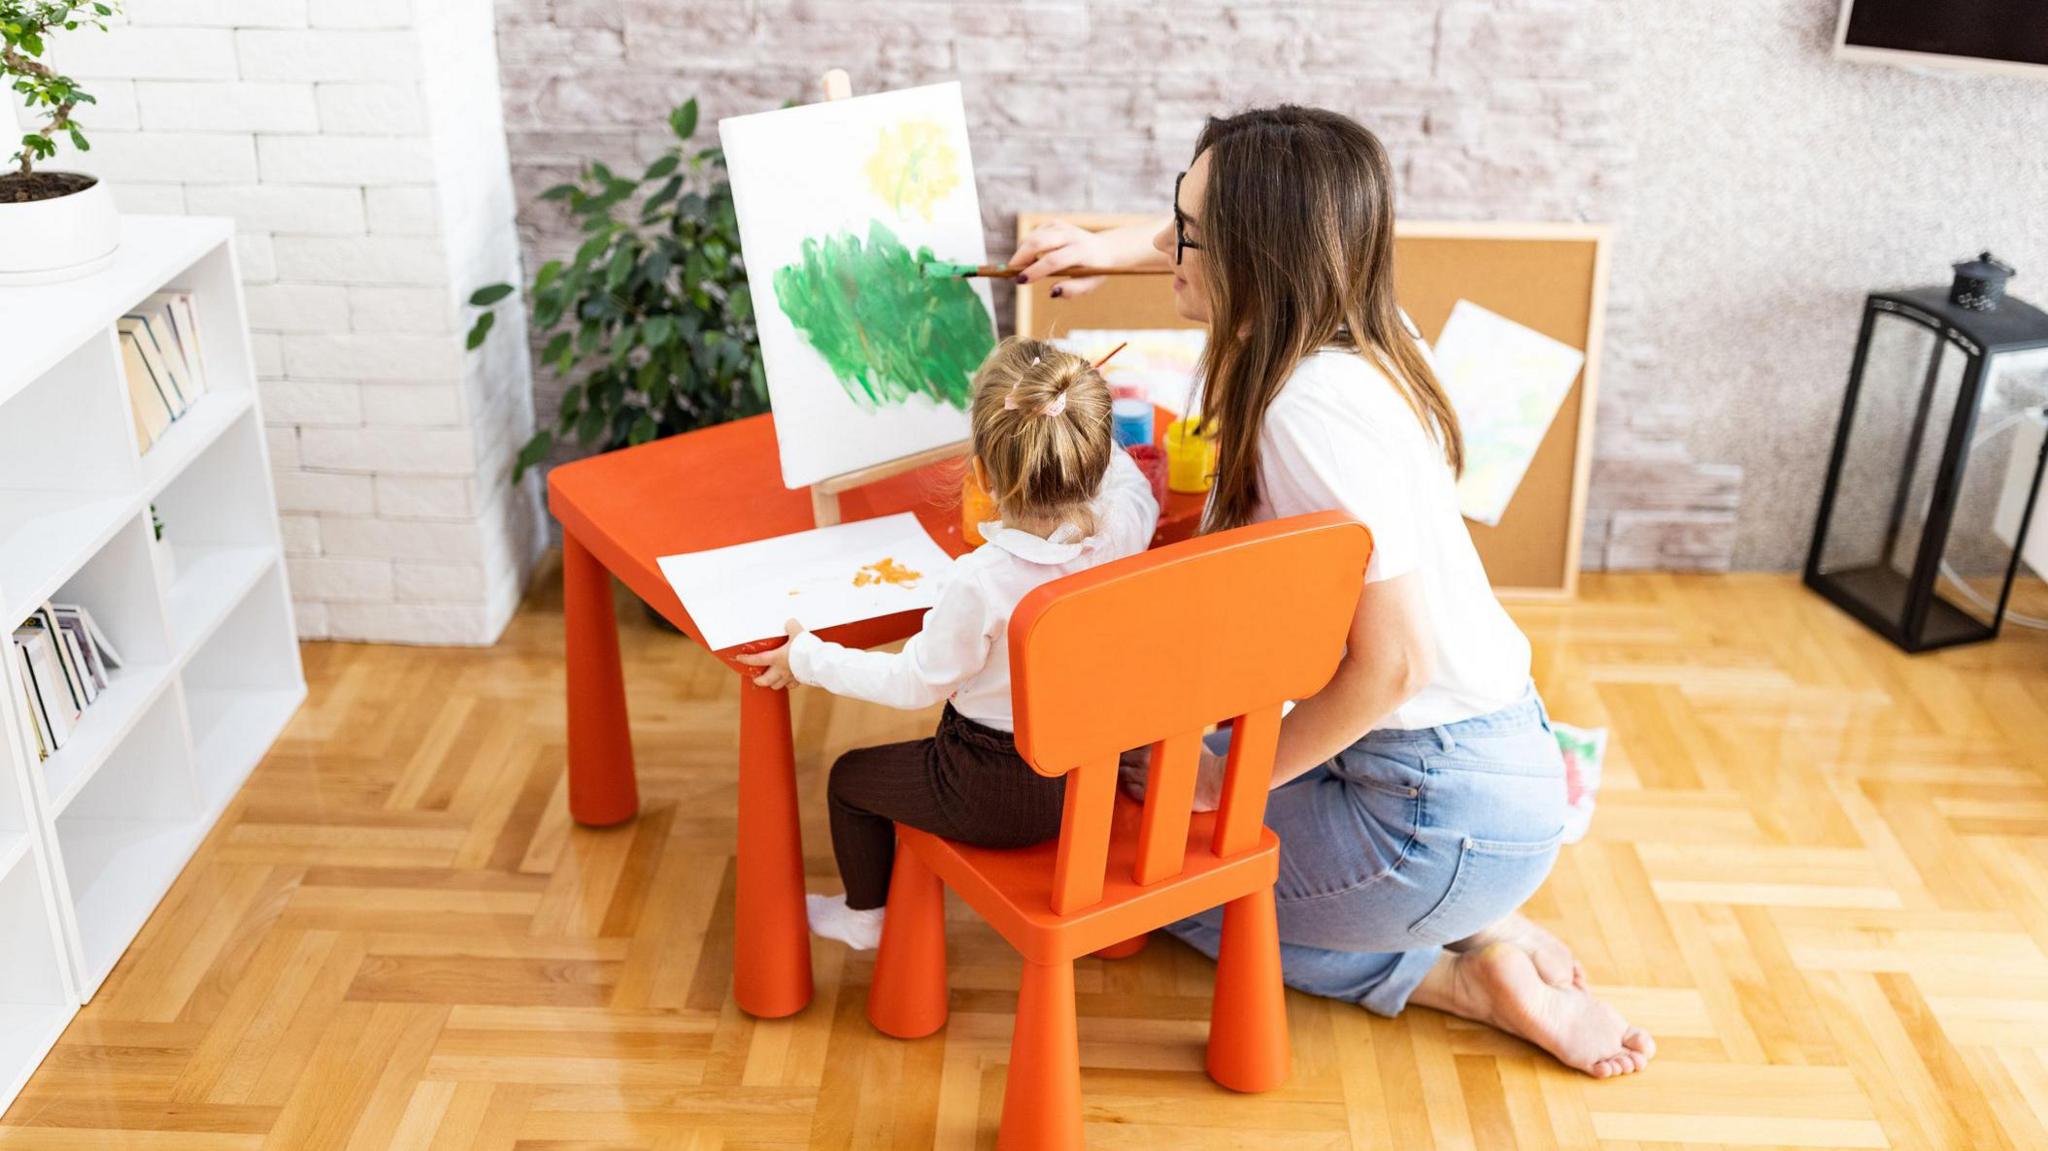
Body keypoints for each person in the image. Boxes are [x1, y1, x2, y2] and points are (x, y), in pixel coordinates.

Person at [1005, 106, 1654, 1079]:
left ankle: (1453, 973)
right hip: (1493, 759)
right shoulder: (1369, 326)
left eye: (1187, 232)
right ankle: (1474, 915)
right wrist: (1109, 247)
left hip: (1432, 809)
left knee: (1140, 869)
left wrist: (1233, 782)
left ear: (1255, 248)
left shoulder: (1305, 410)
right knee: (1151, 772)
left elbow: (1393, 665)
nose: (1168, 246)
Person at [738, 338, 1160, 950]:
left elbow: (914, 683)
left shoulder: (983, 581)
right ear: (1093, 457)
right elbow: (1134, 493)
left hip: (994, 792)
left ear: (982, 473)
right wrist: (1082, 426)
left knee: (849, 780)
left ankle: (866, 920)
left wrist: (808, 656)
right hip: (1086, 780)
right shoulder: (1121, 532)